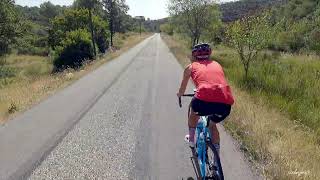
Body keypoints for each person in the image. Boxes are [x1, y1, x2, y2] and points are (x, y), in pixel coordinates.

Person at [177, 43, 234, 155]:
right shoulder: (217, 64)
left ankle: (192, 141)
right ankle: (216, 156)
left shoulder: (190, 67)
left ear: (194, 56)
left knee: (193, 116)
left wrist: (179, 94)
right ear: (209, 54)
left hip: (202, 102)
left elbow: (182, 89)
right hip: (225, 104)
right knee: (212, 125)